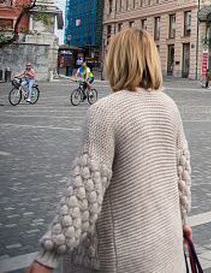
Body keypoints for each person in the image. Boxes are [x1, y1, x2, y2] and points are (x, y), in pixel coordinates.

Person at [28, 28, 192, 272]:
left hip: (122, 256)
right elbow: (181, 178)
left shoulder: (105, 111)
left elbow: (84, 191)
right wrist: (183, 222)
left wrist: (48, 256)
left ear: (116, 60)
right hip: (167, 250)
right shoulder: (169, 107)